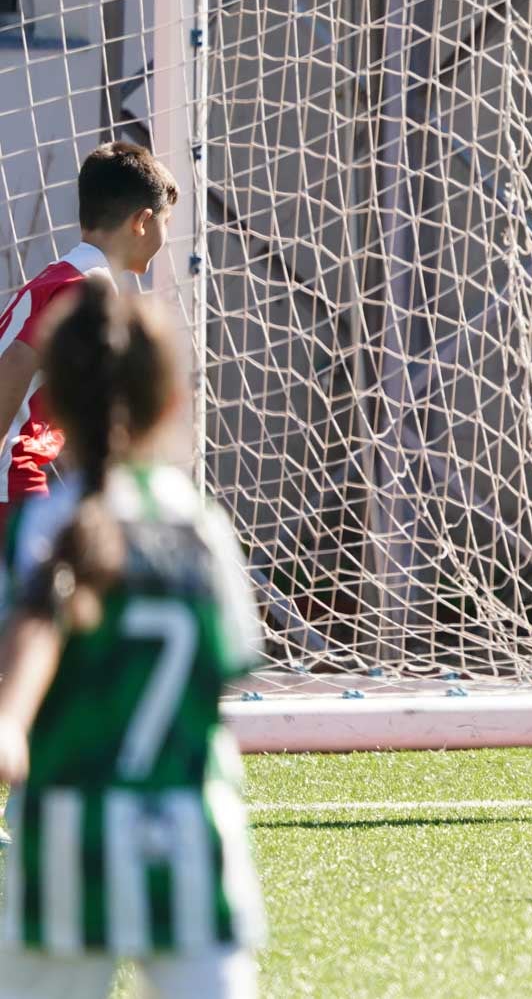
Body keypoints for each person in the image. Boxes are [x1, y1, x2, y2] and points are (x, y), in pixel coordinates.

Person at [0, 280, 266, 996]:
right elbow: (227, 664)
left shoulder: (35, 530)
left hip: (64, 846)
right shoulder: (203, 528)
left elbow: (28, 631)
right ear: (173, 402)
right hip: (190, 847)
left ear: (58, 405)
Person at [0, 140, 178, 853]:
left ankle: (33, 802)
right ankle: (36, 806)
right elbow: (15, 366)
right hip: (16, 484)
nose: (168, 237)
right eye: (166, 219)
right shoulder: (89, 288)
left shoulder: (72, 277)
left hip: (29, 478)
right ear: (141, 221)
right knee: (43, 642)